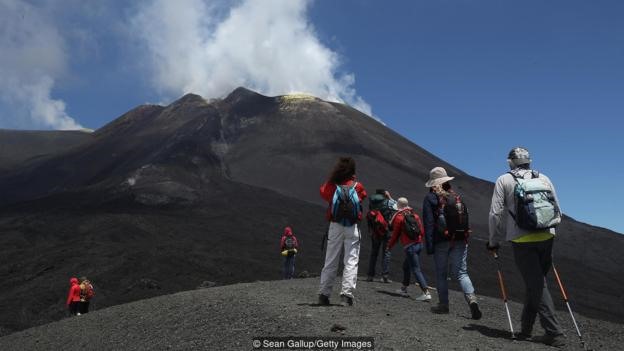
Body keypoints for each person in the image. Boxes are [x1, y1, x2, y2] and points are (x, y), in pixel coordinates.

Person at [487, 147, 565, 347]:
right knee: (536, 283)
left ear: (510, 162)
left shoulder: (504, 180)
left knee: (537, 285)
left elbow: (496, 214)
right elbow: (558, 209)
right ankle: (526, 329)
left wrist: (494, 241)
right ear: (529, 161)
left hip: (522, 240)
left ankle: (553, 332)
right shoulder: (543, 178)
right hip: (547, 235)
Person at [423, 167, 482, 319]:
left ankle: (444, 305)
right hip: (460, 240)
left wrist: (429, 246)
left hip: (441, 242)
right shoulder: (456, 197)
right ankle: (472, 301)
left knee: (441, 274)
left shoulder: (430, 199)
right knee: (462, 272)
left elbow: (429, 223)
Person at [318, 156, 367, 307]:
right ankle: (346, 296)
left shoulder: (333, 185)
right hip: (352, 226)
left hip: (335, 225)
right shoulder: (357, 186)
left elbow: (323, 192)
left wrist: (333, 178)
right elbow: (363, 197)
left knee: (331, 259)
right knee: (351, 260)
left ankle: (324, 294)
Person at [386, 197, 431, 301]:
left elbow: (395, 235)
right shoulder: (415, 215)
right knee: (406, 266)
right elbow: (422, 231)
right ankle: (404, 289)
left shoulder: (399, 217)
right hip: (419, 244)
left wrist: (389, 246)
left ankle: (426, 292)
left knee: (416, 269)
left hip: (410, 247)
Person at [366, 189, 397, 283]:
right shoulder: (388, 202)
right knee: (386, 253)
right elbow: (397, 206)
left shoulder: (372, 202)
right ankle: (384, 276)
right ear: (385, 194)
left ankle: (370, 276)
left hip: (375, 230)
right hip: (386, 230)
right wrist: (389, 197)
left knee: (374, 253)